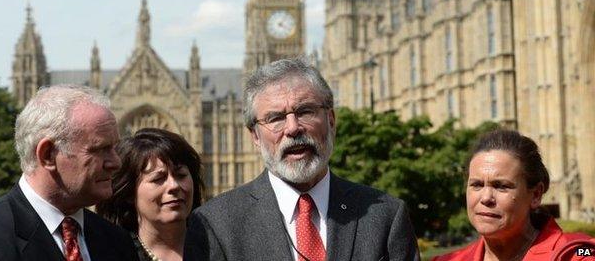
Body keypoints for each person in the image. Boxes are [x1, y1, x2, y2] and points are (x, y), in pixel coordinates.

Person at [185, 58, 420, 261]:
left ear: (331, 120)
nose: (293, 128)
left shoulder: (386, 216)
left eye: (305, 112)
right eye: (276, 118)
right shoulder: (214, 224)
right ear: (255, 136)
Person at [0, 84, 138, 261]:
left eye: (114, 148)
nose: (116, 163)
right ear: (48, 155)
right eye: (100, 149)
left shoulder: (117, 240)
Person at [433, 129, 595, 261]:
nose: (486, 198)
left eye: (501, 186)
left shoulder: (575, 253)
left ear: (536, 195)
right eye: (477, 185)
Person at [97, 128, 204, 261]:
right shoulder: (107, 253)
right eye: (158, 179)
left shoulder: (217, 244)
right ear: (129, 193)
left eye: (181, 175)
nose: (174, 185)